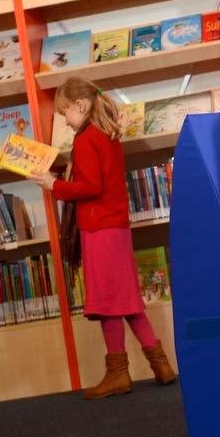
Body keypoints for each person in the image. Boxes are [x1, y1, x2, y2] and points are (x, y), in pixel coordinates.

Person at [32, 76, 176, 399]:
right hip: (117, 228)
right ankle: (161, 365)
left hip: (99, 230)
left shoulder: (86, 139)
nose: (65, 122)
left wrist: (53, 185)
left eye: (65, 113)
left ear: (80, 106)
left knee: (107, 303)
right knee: (127, 301)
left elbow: (90, 186)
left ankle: (117, 373)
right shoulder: (107, 136)